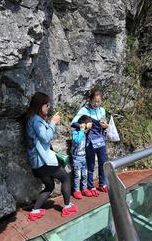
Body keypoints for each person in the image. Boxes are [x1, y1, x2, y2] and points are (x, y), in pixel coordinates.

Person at [25, 92, 78, 221]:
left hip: (36, 164)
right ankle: (67, 207)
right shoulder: (36, 120)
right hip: (45, 162)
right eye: (47, 105)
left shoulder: (31, 119)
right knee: (65, 178)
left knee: (49, 186)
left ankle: (35, 211)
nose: (48, 107)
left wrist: (48, 123)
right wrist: (53, 123)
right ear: (40, 105)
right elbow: (45, 137)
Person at [71, 88, 108, 195]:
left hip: (100, 139)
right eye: (94, 101)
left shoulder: (102, 110)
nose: (96, 104)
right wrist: (84, 125)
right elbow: (73, 123)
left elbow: (104, 122)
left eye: (99, 102)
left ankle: (102, 183)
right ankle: (90, 186)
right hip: (89, 140)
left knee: (103, 161)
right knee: (90, 163)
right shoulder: (84, 110)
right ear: (90, 100)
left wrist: (105, 126)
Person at [71, 115, 93, 199]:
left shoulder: (84, 132)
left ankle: (84, 189)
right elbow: (77, 141)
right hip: (76, 158)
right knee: (77, 175)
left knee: (84, 174)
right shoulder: (75, 132)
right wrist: (82, 129)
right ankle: (76, 190)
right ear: (82, 123)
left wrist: (86, 128)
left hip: (83, 157)